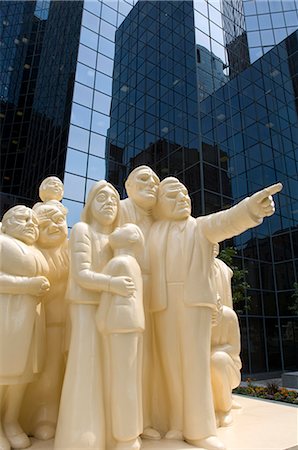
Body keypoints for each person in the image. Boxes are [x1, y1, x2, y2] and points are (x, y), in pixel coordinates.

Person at [149, 177, 282, 450]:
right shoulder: (153, 232)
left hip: (194, 304)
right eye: (173, 196)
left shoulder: (198, 227)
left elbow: (227, 220)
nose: (183, 199)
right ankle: (176, 424)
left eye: (185, 194)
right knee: (170, 368)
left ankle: (200, 429)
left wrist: (252, 209)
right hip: (161, 306)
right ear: (159, 205)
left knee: (195, 366)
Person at [54, 180, 135, 450]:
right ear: (89, 205)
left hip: (111, 310)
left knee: (112, 370)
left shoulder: (116, 239)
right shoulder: (82, 230)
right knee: (86, 367)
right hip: (86, 306)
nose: (109, 203)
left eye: (113, 199)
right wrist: (113, 285)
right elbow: (81, 273)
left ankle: (113, 433)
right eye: (101, 198)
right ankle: (81, 437)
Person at [0, 206, 50, 450]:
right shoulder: (1, 242)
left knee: (22, 377)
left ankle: (10, 420)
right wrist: (26, 285)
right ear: (6, 223)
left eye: (34, 221)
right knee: (3, 373)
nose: (31, 223)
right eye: (23, 218)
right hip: (6, 316)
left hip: (31, 319)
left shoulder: (35, 251)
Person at [119, 166, 161, 440]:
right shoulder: (120, 210)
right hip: (126, 293)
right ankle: (124, 424)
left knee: (150, 361)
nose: (152, 184)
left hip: (156, 296)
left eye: (156, 181)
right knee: (127, 359)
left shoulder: (160, 219)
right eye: (144, 179)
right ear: (128, 185)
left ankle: (144, 418)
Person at [21, 202, 69, 440]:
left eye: (59, 220)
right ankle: (24, 418)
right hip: (36, 323)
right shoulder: (31, 254)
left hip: (64, 324)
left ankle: (47, 417)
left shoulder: (70, 252)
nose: (54, 226)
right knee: (35, 373)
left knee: (55, 374)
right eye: (46, 221)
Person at [96, 223, 145, 450]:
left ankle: (124, 437)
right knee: (128, 379)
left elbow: (106, 297)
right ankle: (131, 433)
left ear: (132, 238)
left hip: (119, 323)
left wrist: (100, 320)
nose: (116, 228)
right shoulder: (133, 263)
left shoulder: (118, 262)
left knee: (120, 380)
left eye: (123, 227)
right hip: (131, 323)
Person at [211, 305, 241, 427]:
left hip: (229, 370)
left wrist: (209, 352)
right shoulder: (196, 316)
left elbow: (234, 348)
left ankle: (224, 410)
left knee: (218, 359)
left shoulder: (229, 316)